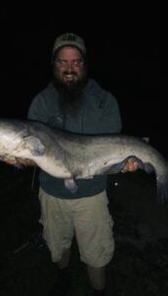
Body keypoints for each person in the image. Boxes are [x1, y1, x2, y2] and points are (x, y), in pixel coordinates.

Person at [27, 33, 138, 296]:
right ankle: (63, 277)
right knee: (58, 246)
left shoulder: (105, 101)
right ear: (54, 65)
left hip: (92, 195)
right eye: (63, 62)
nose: (69, 68)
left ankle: (99, 291)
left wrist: (124, 163)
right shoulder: (41, 102)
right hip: (52, 194)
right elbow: (30, 151)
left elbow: (114, 152)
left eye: (76, 62)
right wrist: (16, 157)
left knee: (97, 254)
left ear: (85, 65)